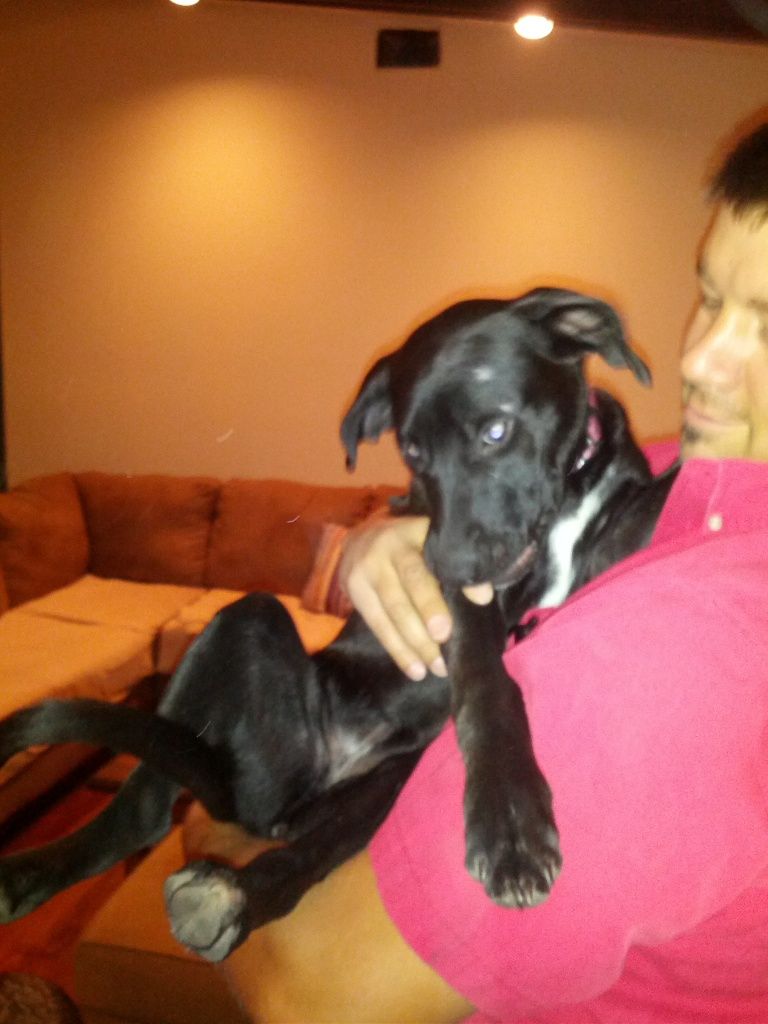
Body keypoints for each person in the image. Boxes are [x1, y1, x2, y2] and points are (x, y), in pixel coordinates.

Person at [184, 117, 768, 1023]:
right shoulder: (690, 482)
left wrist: (207, 815)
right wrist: (382, 534)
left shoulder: (671, 659)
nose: (698, 358)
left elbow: (311, 998)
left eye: (766, 325)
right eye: (711, 297)